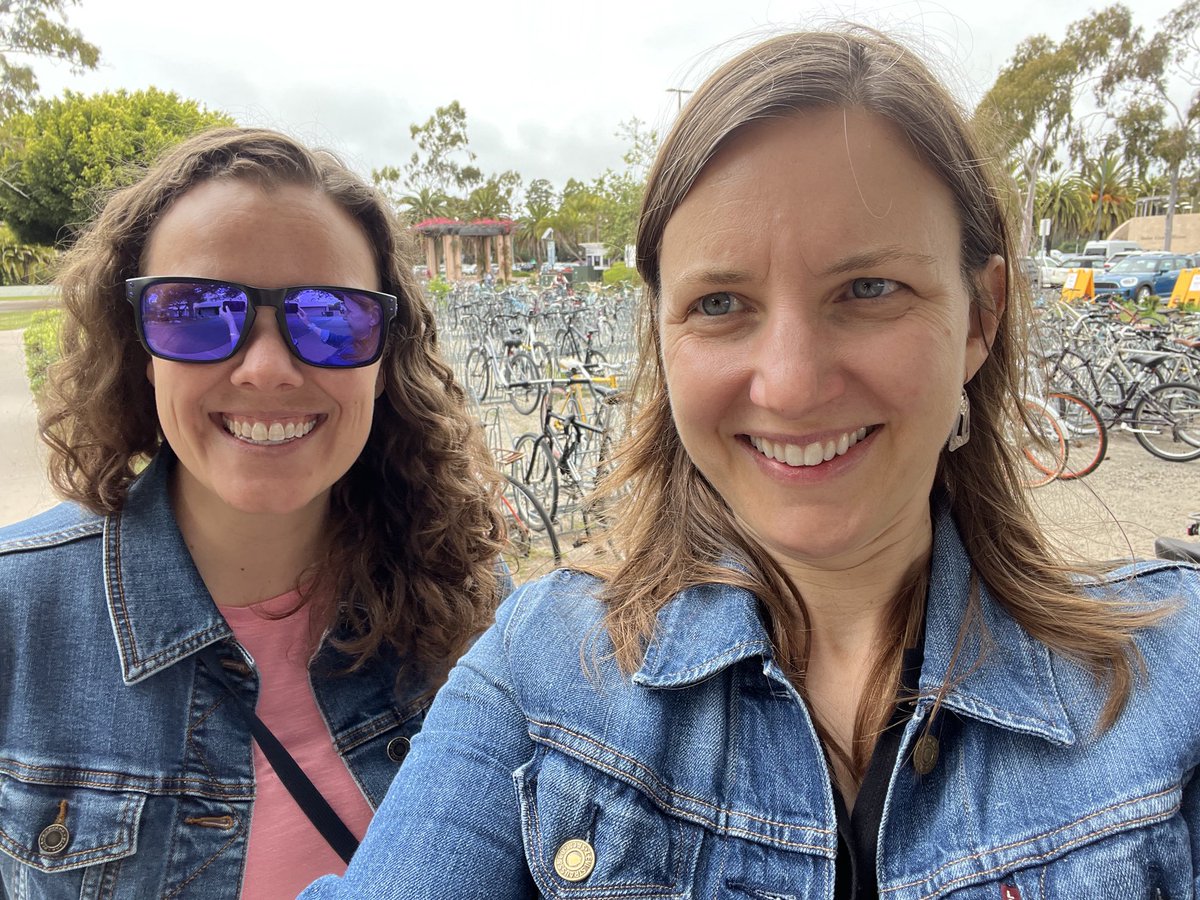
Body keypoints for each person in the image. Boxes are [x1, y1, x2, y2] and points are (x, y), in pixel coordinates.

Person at [303, 29, 1200, 898]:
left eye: (869, 289)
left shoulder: (1177, 677)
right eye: (722, 302)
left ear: (980, 316)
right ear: (663, 335)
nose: (793, 383)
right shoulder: (543, 674)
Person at [0, 128, 508, 898]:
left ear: (384, 360)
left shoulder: (476, 599)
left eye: (331, 317)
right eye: (197, 311)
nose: (267, 368)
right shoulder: (18, 617)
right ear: (139, 344)